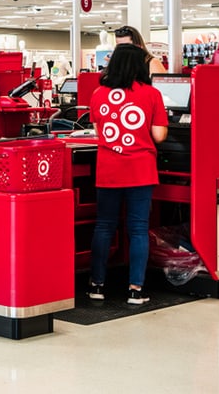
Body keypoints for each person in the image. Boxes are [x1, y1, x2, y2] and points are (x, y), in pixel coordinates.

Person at [88, 43, 168, 305]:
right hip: (140, 169)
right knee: (138, 229)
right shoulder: (152, 94)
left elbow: (99, 131)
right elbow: (159, 135)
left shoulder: (98, 93)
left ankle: (96, 285)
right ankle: (136, 289)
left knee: (104, 226)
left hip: (108, 168)